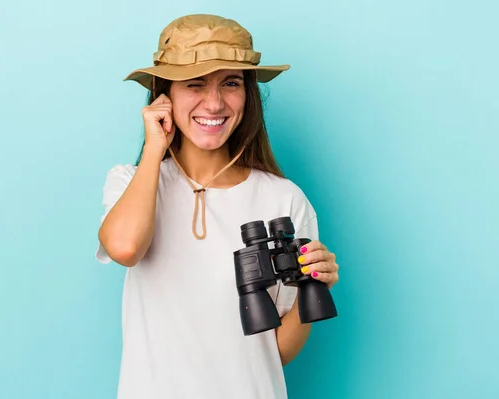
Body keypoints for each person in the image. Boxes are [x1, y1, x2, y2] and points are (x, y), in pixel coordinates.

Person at [95, 14, 340, 399]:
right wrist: (156, 148)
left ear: (248, 94)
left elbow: (274, 353)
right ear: (164, 95)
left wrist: (313, 284)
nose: (214, 103)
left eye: (231, 83)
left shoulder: (284, 199)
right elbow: (125, 248)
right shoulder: (132, 182)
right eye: (195, 84)